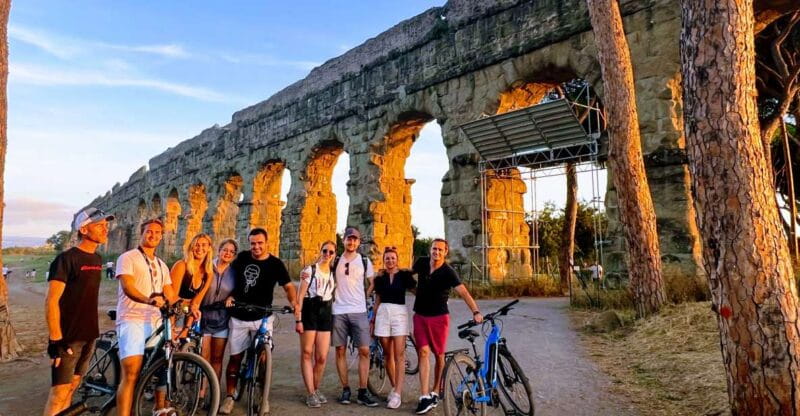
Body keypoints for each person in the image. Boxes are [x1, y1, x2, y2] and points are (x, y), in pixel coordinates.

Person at [43, 207, 114, 416]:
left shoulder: (97, 259)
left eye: (106, 225)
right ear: (84, 229)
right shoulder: (66, 260)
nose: (105, 229)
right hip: (67, 339)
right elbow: (51, 301)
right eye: (99, 225)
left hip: (89, 335)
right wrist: (55, 341)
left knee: (72, 388)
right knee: (58, 395)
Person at [219, 228, 298, 415]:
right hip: (239, 315)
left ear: (267, 242)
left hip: (263, 316)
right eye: (253, 243)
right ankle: (229, 396)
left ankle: (262, 396)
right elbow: (229, 279)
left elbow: (288, 286)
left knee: (264, 358)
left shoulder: (276, 264)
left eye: (260, 243)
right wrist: (229, 295)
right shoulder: (242, 258)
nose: (256, 246)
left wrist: (294, 302)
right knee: (235, 358)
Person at [114, 218, 184, 416]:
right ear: (141, 233)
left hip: (154, 321)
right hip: (132, 318)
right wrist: (148, 299)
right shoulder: (127, 258)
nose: (153, 235)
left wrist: (189, 305)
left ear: (161, 237)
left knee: (161, 365)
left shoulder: (162, 265)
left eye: (157, 233)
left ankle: (159, 409)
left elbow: (170, 293)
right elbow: (128, 286)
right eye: (149, 231)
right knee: (131, 373)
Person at [412, 239, 483, 415]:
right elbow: (406, 276)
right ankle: (424, 396)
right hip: (419, 315)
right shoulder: (421, 262)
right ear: (430, 249)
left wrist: (476, 311)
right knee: (423, 352)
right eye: (434, 248)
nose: (436, 252)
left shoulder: (448, 272)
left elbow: (464, 292)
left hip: (439, 318)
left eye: (440, 250)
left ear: (445, 252)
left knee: (439, 355)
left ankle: (436, 390)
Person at [327, 227, 377, 407]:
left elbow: (372, 282)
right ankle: (346, 389)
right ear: (344, 240)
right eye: (349, 239)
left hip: (358, 310)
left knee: (364, 350)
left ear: (358, 242)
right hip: (338, 310)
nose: (352, 242)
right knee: (340, 350)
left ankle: (363, 391)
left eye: (355, 239)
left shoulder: (364, 261)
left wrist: (365, 296)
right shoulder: (336, 259)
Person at [371, 246, 416, 409]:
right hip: (383, 312)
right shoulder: (380, 278)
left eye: (393, 258)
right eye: (387, 258)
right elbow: (377, 300)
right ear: (384, 260)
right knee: (387, 354)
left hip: (399, 313)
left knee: (399, 354)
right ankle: (394, 387)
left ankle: (397, 393)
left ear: (397, 260)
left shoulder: (404, 276)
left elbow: (416, 291)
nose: (390, 260)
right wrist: (372, 319)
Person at [295, 241, 337, 408]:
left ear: (334, 255)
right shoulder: (309, 270)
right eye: (325, 250)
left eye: (331, 252)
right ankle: (311, 392)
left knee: (321, 357)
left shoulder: (333, 273)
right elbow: (299, 297)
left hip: (325, 312)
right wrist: (298, 319)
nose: (327, 254)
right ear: (320, 251)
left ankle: (316, 387)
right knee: (307, 352)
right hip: (310, 310)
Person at [199, 238, 237, 385]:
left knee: (217, 358)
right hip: (203, 317)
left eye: (231, 252)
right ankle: (201, 392)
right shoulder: (206, 267)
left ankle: (212, 393)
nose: (228, 253)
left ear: (234, 256)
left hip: (222, 319)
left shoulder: (234, 273)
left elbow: (237, 291)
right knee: (204, 357)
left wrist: (232, 296)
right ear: (219, 250)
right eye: (225, 250)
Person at [169, 233, 214, 337]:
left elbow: (196, 303)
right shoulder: (181, 266)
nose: (200, 248)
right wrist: (171, 328)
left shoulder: (209, 273)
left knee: (183, 347)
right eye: (197, 245)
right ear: (191, 247)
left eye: (204, 245)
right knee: (171, 348)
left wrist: (187, 327)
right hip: (173, 314)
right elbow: (172, 300)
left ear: (209, 248)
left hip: (188, 315)